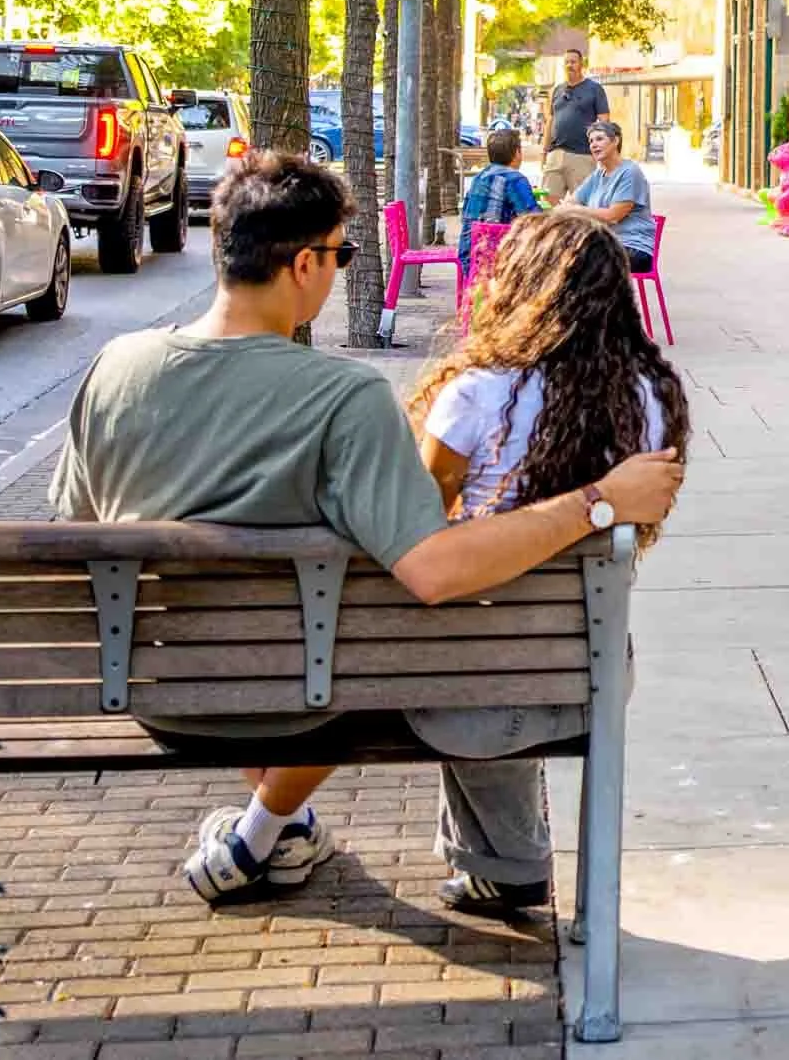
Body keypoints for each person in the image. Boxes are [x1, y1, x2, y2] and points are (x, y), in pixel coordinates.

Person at [49, 154, 683, 909]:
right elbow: (433, 570)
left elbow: (75, 540)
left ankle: (273, 829)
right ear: (305, 263)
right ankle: (282, 831)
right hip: (305, 697)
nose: (340, 268)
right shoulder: (342, 396)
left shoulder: (111, 370)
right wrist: (597, 501)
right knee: (450, 635)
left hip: (151, 689)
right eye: (341, 254)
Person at [405, 211, 688, 909]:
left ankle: (503, 862)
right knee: (510, 646)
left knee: (456, 637)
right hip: (585, 664)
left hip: (467, 676)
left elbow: (417, 522)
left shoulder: (474, 394)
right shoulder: (650, 399)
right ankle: (501, 863)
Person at [559, 118, 656, 271]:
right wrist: (568, 208)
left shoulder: (630, 172)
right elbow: (571, 202)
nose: (594, 145)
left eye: (599, 139)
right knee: (558, 255)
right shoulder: (598, 175)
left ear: (615, 141)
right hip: (606, 244)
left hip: (632, 247)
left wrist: (576, 210)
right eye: (591, 141)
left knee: (576, 263)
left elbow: (613, 216)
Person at [458, 126, 541, 283]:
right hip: (496, 258)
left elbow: (465, 216)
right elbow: (532, 218)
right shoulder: (515, 179)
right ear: (517, 153)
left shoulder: (479, 177)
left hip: (469, 255)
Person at [541, 47, 609, 203]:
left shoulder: (594, 89)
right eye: (566, 62)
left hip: (582, 156)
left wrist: (602, 153)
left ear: (581, 64)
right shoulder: (558, 90)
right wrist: (544, 152)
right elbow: (550, 121)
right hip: (555, 154)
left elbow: (604, 122)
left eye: (573, 62)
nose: (569, 65)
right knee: (547, 205)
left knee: (582, 207)